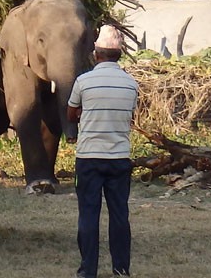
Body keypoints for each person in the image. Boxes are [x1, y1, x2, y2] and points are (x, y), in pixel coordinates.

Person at [68, 26, 138, 278]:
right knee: (120, 214)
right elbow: (130, 117)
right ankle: (121, 269)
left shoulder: (83, 82)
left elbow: (71, 113)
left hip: (88, 159)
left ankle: (88, 270)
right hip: (119, 158)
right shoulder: (131, 84)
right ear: (118, 55)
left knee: (88, 214)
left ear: (96, 53)